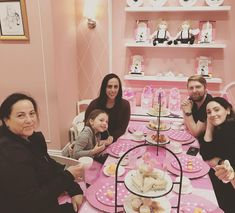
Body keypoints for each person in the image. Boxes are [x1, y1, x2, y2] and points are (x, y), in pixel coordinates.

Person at [0, 93, 84, 213]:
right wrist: (68, 176)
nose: (29, 120)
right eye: (20, 115)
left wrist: (74, 188)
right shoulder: (10, 154)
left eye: (32, 113)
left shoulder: (33, 138)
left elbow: (49, 164)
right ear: (6, 120)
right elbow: (31, 201)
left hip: (45, 198)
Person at [199, 97, 235, 212]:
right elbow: (207, 154)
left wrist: (219, 161)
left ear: (228, 110)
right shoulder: (222, 127)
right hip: (225, 179)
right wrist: (209, 126)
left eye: (216, 110)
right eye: (208, 112)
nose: (212, 114)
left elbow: (207, 155)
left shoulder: (229, 129)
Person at [85, 73, 131, 142]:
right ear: (104, 88)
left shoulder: (125, 105)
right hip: (96, 142)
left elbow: (122, 128)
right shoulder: (94, 105)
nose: (112, 90)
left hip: (115, 140)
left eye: (115, 87)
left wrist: (112, 138)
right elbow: (87, 127)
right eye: (109, 86)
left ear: (119, 88)